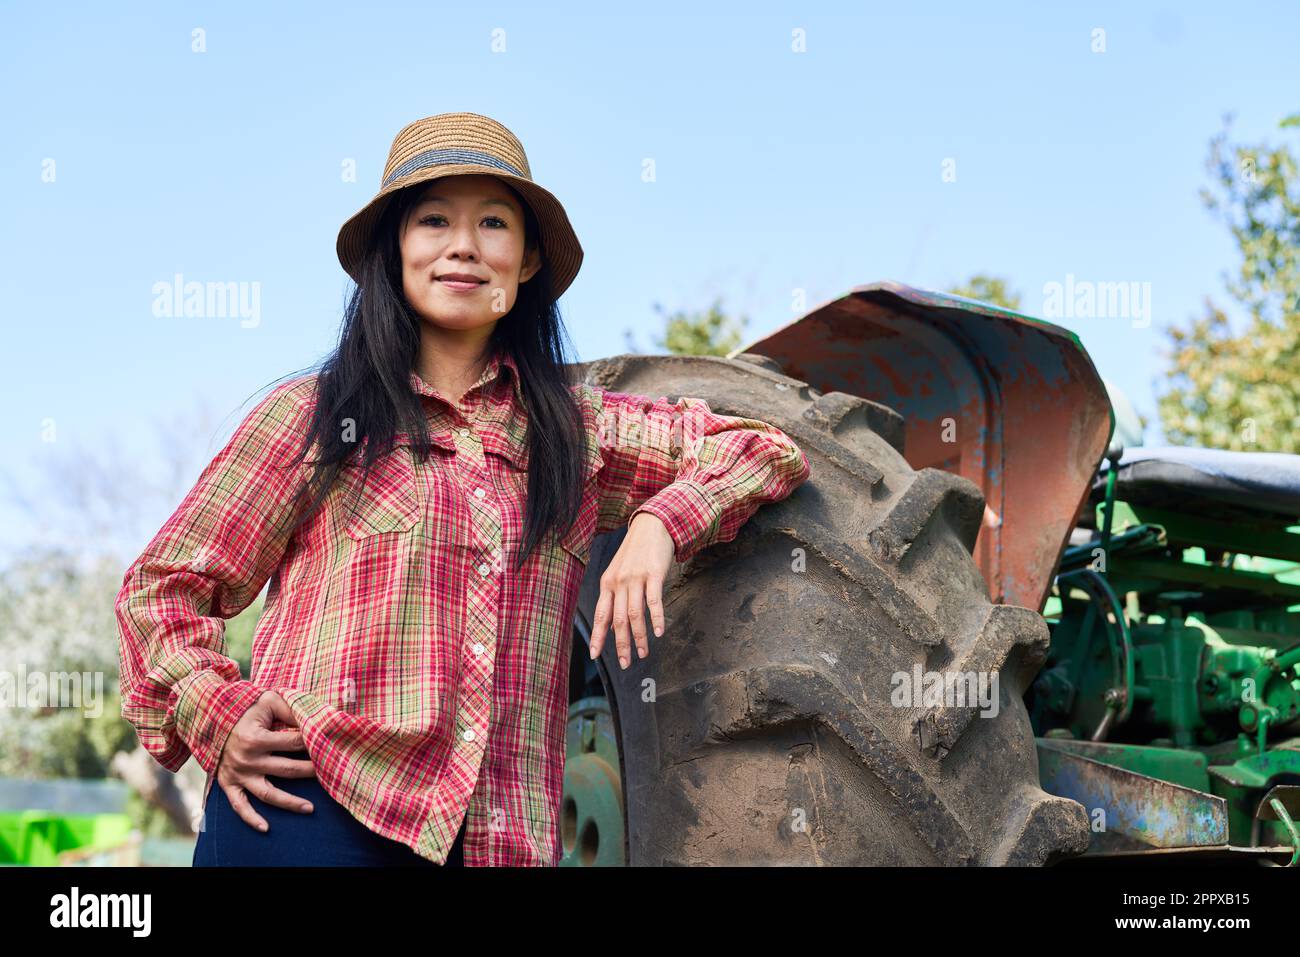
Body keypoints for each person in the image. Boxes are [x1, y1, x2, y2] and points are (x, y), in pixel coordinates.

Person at [115, 112, 812, 867]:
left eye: (493, 223)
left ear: (528, 259)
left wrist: (660, 523)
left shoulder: (576, 436)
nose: (464, 247)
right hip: (313, 814)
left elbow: (762, 447)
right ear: (396, 250)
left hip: (499, 840)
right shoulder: (318, 417)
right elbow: (162, 588)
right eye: (434, 220)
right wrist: (222, 712)